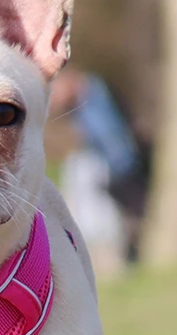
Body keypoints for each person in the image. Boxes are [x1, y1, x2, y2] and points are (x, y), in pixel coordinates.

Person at [50, 67, 152, 264]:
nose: (56, 102)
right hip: (111, 172)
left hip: (128, 165)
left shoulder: (99, 93)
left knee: (139, 210)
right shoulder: (78, 108)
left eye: (58, 93)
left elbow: (116, 133)